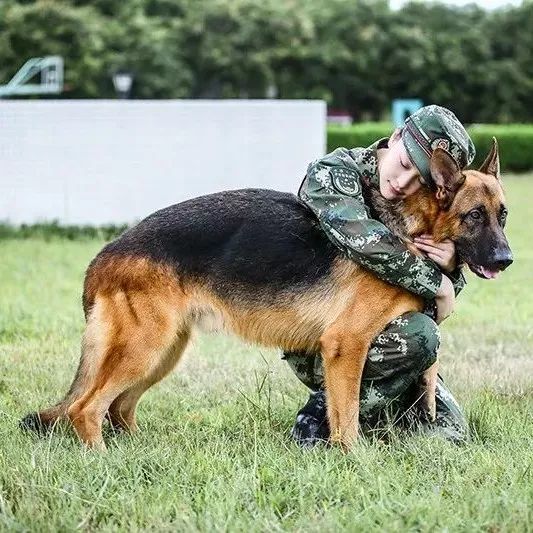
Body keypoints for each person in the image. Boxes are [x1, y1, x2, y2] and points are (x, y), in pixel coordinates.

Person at [284, 105, 476, 447]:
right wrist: (437, 283)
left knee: (449, 429)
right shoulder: (333, 174)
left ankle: (375, 409)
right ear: (396, 136)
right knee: (420, 335)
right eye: (404, 164)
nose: (404, 183)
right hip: (319, 334)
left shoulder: (424, 202)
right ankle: (323, 411)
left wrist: (451, 265)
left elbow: (436, 297)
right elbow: (368, 245)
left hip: (385, 335)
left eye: (421, 179)